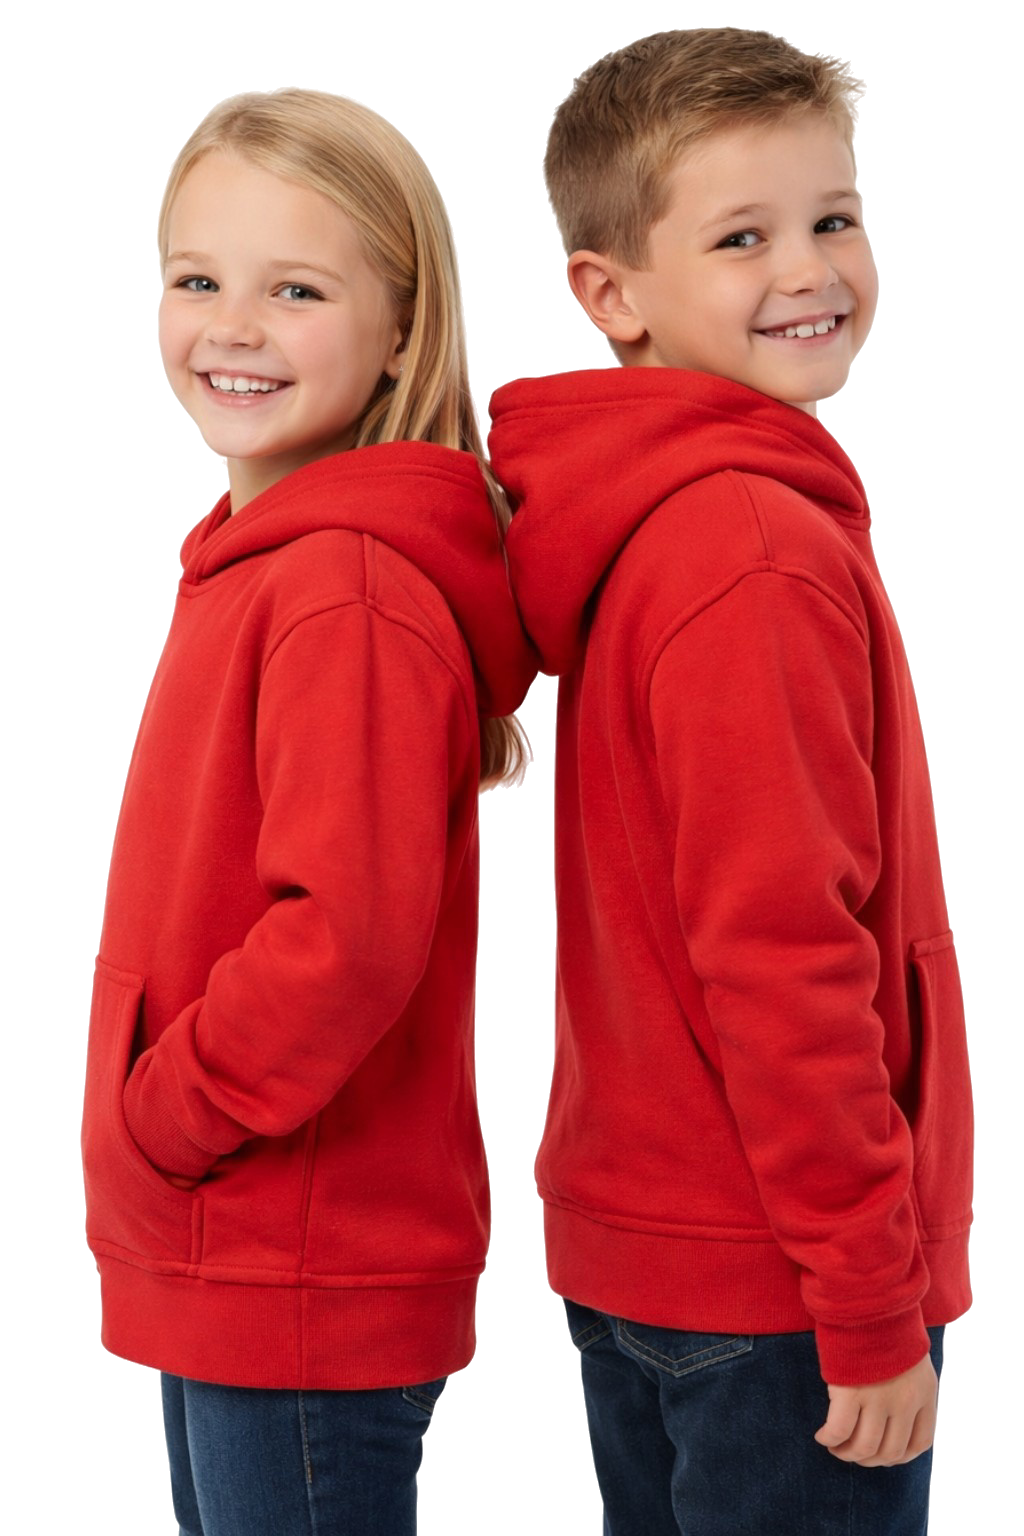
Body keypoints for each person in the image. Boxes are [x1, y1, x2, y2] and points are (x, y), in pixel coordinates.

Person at [488, 27, 972, 1536]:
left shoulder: (656, 520)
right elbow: (783, 956)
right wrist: (871, 1293)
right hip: (780, 1287)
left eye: (835, 216)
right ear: (610, 294)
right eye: (742, 237)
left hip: (654, 1250)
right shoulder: (752, 551)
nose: (811, 269)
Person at [81, 88, 534, 1536]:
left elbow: (343, 940)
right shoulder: (262, 559)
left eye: (297, 291)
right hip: (240, 1247)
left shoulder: (344, 587)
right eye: (196, 279)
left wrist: (166, 1118)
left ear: (402, 328)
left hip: (292, 1258)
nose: (233, 327)